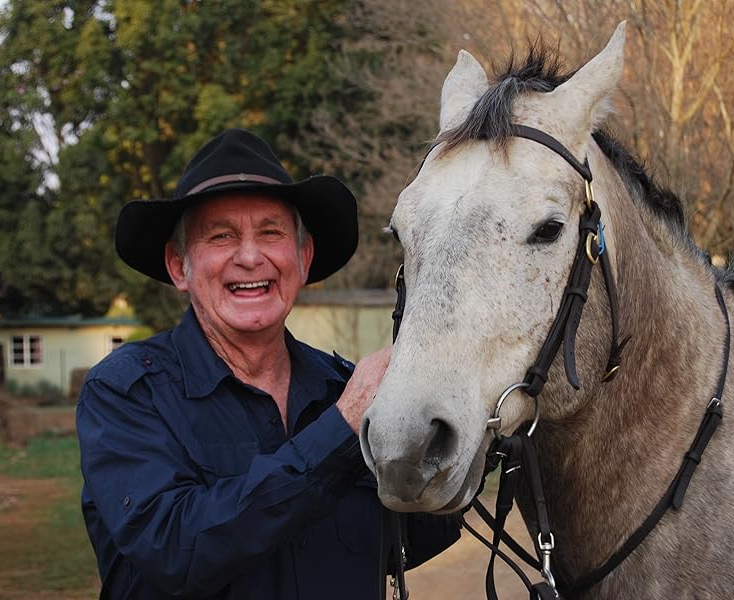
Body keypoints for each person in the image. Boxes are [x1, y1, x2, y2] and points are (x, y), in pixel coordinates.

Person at [76, 128, 461, 599]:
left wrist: (460, 413)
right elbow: (173, 550)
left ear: (302, 257)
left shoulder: (341, 387)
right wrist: (339, 432)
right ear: (180, 267)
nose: (250, 257)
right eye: (221, 236)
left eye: (271, 232)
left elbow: (403, 540)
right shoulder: (126, 392)